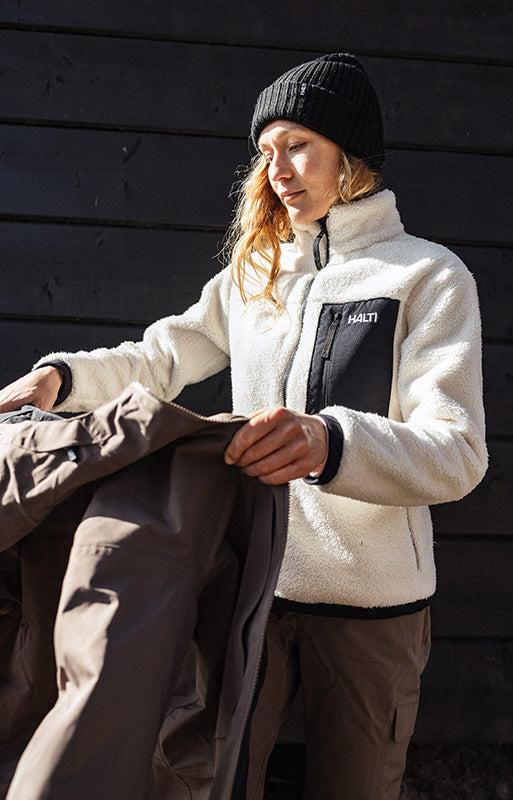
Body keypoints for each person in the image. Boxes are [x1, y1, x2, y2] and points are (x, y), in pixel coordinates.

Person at [0, 53, 487, 799]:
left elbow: (456, 452)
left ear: (350, 155)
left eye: (298, 144)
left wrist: (330, 441)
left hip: (373, 613)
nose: (278, 169)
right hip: (251, 592)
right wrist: (61, 378)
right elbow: (159, 358)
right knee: (208, 787)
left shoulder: (427, 277)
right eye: (266, 151)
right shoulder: (253, 274)